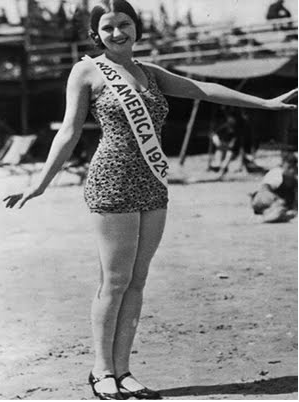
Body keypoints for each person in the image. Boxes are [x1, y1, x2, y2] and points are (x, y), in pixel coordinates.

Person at [3, 0, 297, 399]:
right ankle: (101, 371)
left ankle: (123, 371)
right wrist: (39, 183)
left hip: (153, 183)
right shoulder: (86, 70)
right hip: (112, 181)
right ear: (96, 35)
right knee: (115, 280)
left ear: (136, 28)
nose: (117, 33)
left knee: (137, 281)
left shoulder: (150, 73)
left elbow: (204, 89)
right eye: (107, 28)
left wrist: (265, 103)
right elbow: (68, 131)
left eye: (124, 24)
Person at [250, 152, 297, 223]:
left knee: (285, 209)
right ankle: (267, 215)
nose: (292, 170)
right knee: (281, 206)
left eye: (293, 167)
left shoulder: (294, 180)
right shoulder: (277, 173)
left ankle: (270, 213)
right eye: (289, 167)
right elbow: (264, 190)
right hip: (263, 199)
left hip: (274, 204)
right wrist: (277, 200)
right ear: (284, 164)